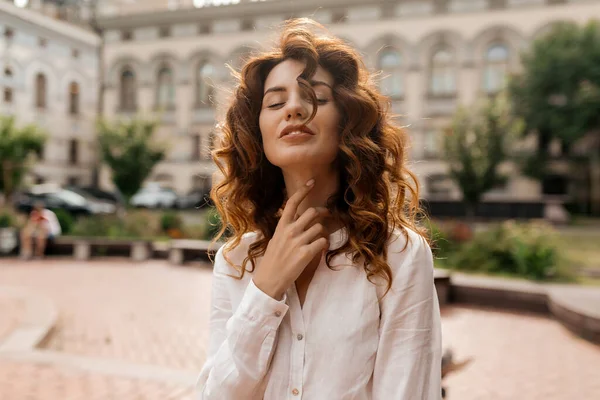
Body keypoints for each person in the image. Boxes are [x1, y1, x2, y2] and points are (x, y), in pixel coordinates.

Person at [196, 19, 442, 399]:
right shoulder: (236, 260)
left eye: (316, 98)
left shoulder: (398, 255)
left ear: (347, 121)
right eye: (275, 102)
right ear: (257, 132)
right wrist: (265, 289)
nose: (293, 108)